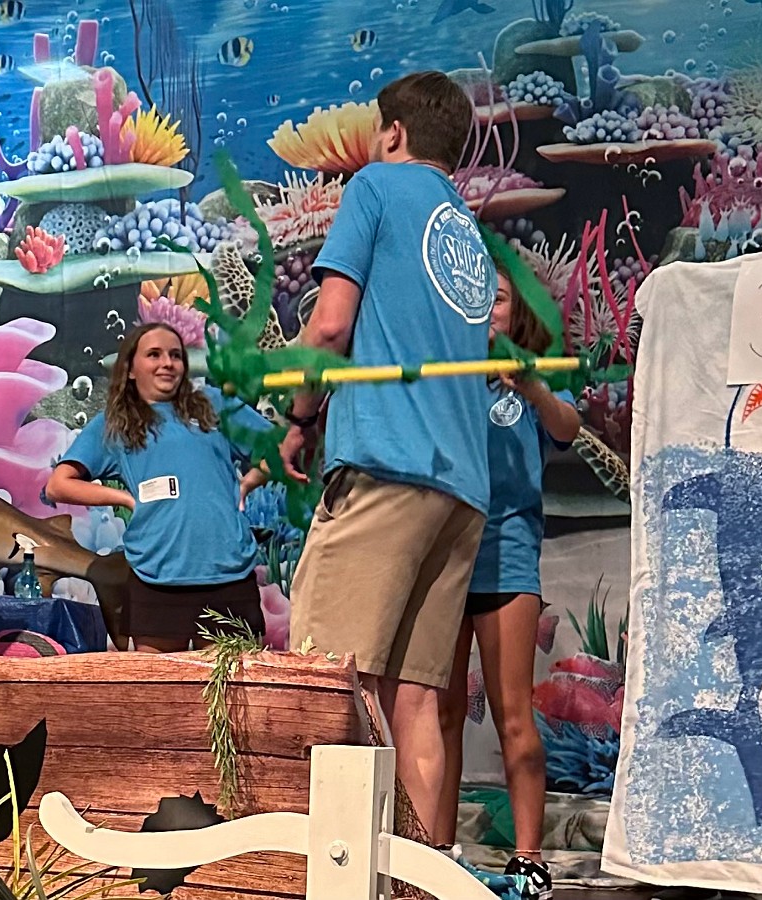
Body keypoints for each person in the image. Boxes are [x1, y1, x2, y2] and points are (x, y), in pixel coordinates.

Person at [278, 71, 497, 835]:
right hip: (462, 487)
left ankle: (337, 872)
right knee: (416, 701)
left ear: (393, 133)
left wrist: (300, 415)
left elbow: (330, 325)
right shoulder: (468, 232)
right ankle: (420, 876)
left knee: (328, 678)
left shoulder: (374, 186)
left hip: (385, 466)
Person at [436, 266, 579, 899]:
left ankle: (529, 858)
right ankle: (437, 851)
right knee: (440, 714)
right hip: (443, 559)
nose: (485, 308)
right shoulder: (443, 373)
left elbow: (567, 428)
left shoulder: (533, 375)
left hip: (507, 560)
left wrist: (531, 386)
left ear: (515, 307)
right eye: (473, 298)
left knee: (513, 715)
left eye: (494, 297)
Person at [46, 323, 269, 652]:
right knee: (159, 683)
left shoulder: (214, 404)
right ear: (130, 369)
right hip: (156, 575)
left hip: (227, 572)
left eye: (175, 355)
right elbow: (58, 485)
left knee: (236, 682)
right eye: (154, 354)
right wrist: (124, 498)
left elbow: (280, 449)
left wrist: (248, 484)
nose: (167, 363)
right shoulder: (114, 422)